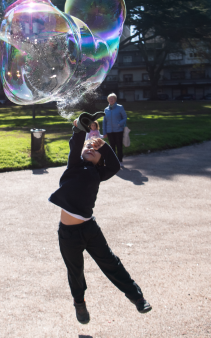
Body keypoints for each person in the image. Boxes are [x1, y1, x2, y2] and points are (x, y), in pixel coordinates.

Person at [49, 113, 151, 324]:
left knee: (111, 263)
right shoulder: (74, 165)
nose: (90, 149)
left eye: (94, 151)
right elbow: (77, 143)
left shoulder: (98, 173)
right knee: (75, 271)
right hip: (68, 234)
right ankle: (79, 303)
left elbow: (113, 166)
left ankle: (137, 297)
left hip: (90, 229)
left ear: (99, 161)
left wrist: (103, 146)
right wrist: (81, 126)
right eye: (88, 148)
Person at [102, 93, 127, 164]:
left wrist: (119, 123)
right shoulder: (106, 109)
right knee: (112, 147)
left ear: (115, 99)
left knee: (119, 146)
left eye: (112, 98)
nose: (111, 100)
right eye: (110, 99)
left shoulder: (120, 107)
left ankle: (120, 161)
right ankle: (114, 161)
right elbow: (104, 121)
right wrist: (104, 132)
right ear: (108, 100)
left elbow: (125, 117)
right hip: (110, 131)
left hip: (118, 130)